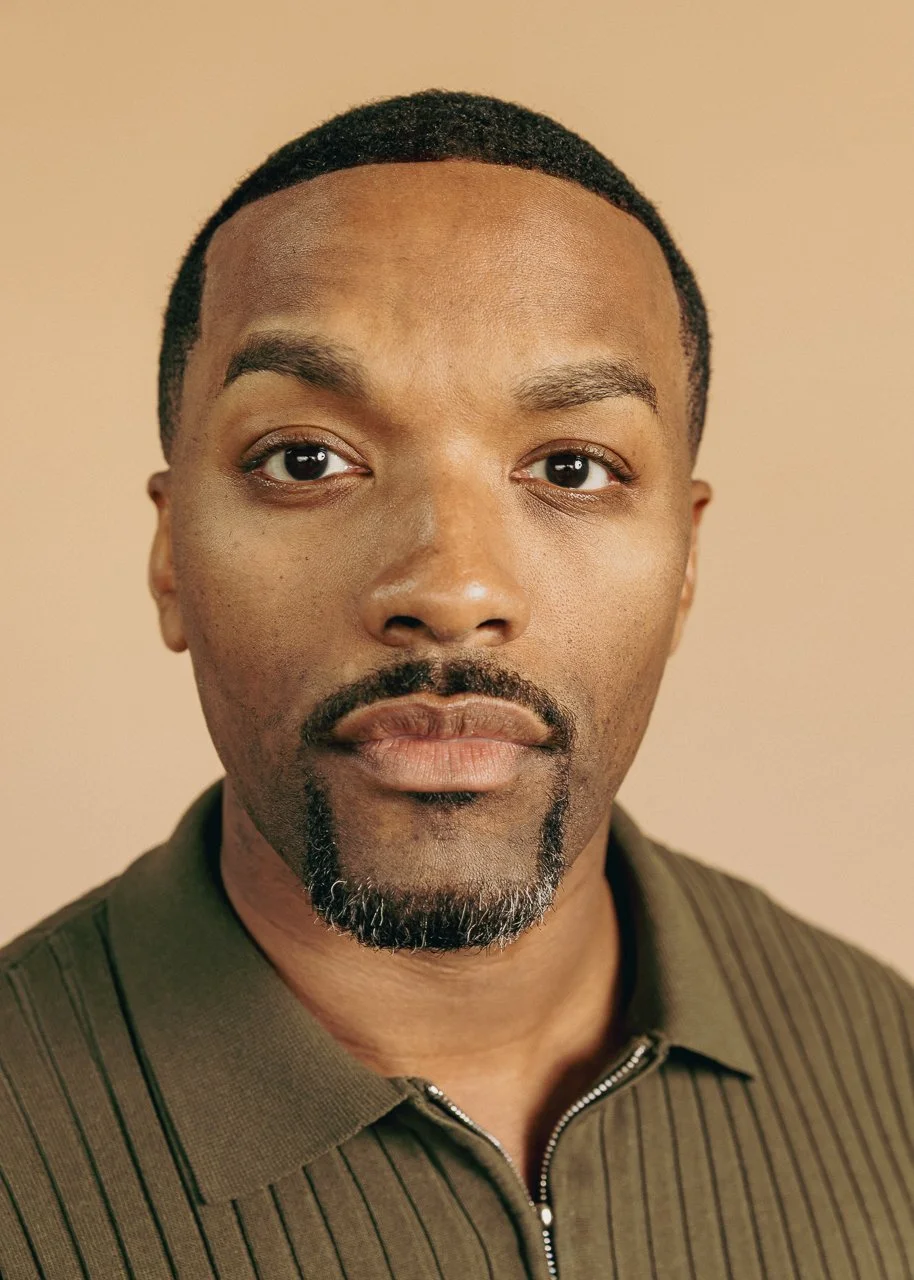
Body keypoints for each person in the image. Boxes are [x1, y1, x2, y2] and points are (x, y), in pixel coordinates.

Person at [1, 89, 911, 1280]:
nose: (450, 584)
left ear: (685, 564)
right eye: (306, 459)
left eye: (572, 465)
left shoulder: (887, 1062)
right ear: (172, 554)